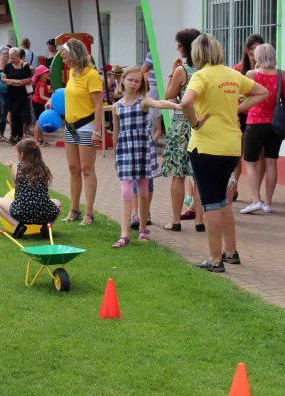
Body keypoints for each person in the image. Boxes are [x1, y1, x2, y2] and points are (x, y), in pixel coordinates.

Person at [181, 33, 268, 272]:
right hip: (231, 147)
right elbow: (262, 93)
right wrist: (236, 109)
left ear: (197, 54)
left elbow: (186, 103)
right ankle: (231, 251)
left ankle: (215, 258)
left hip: (206, 146)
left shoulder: (201, 75)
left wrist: (195, 123)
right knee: (222, 200)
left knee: (210, 202)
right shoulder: (232, 74)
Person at [111, 67, 180, 247]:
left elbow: (159, 104)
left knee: (143, 190)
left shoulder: (143, 102)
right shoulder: (116, 107)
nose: (134, 84)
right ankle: (124, 233)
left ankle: (142, 228)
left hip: (142, 149)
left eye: (138, 81)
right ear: (123, 80)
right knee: (126, 190)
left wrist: (177, 106)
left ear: (142, 84)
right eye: (131, 80)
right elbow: (116, 133)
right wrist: (115, 156)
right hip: (125, 149)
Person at [47, 39, 103, 226]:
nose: (64, 62)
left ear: (75, 56)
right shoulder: (72, 72)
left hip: (86, 126)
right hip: (70, 126)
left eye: (65, 58)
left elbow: (98, 105)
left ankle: (89, 213)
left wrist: (98, 131)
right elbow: (68, 95)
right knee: (73, 169)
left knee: (87, 169)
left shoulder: (92, 75)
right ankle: (74, 209)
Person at [161, 28, 204, 232]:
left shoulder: (183, 71)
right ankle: (200, 220)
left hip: (181, 123)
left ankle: (176, 220)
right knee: (199, 173)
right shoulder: (205, 69)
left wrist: (172, 70)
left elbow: (169, 95)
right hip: (201, 123)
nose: (177, 48)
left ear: (186, 46)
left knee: (178, 174)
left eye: (179, 44)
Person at [240, 43, 284, 214]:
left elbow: (244, 95)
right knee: (271, 162)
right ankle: (268, 203)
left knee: (250, 162)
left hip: (255, 122)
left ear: (258, 57)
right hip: (275, 124)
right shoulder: (282, 75)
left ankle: (255, 200)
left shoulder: (252, 74)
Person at [0, 139, 62, 239]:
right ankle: (47, 225)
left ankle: (17, 225)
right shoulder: (44, 169)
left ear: (22, 155)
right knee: (59, 204)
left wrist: (12, 168)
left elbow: (16, 189)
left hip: (22, 212)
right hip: (44, 213)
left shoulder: (17, 168)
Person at [232, 34, 265, 202]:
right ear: (246, 50)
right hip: (242, 114)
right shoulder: (238, 68)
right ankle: (233, 188)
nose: (253, 52)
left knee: (259, 156)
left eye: (257, 48)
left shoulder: (267, 70)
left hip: (260, 117)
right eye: (251, 48)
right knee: (238, 153)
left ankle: (256, 193)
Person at [2, 47, 32, 145]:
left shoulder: (25, 66)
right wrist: (14, 81)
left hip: (22, 94)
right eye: (10, 58)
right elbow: (3, 79)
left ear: (18, 56)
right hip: (11, 93)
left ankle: (15, 135)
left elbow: (29, 80)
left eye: (13, 58)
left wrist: (20, 82)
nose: (11, 60)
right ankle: (17, 135)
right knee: (14, 114)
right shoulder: (8, 66)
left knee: (16, 113)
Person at [32, 65, 51, 146]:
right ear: (42, 74)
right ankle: (36, 140)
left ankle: (40, 139)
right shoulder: (42, 83)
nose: (48, 73)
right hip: (38, 103)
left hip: (39, 103)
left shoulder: (42, 82)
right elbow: (41, 96)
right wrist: (50, 100)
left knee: (41, 121)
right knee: (38, 122)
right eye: (46, 72)